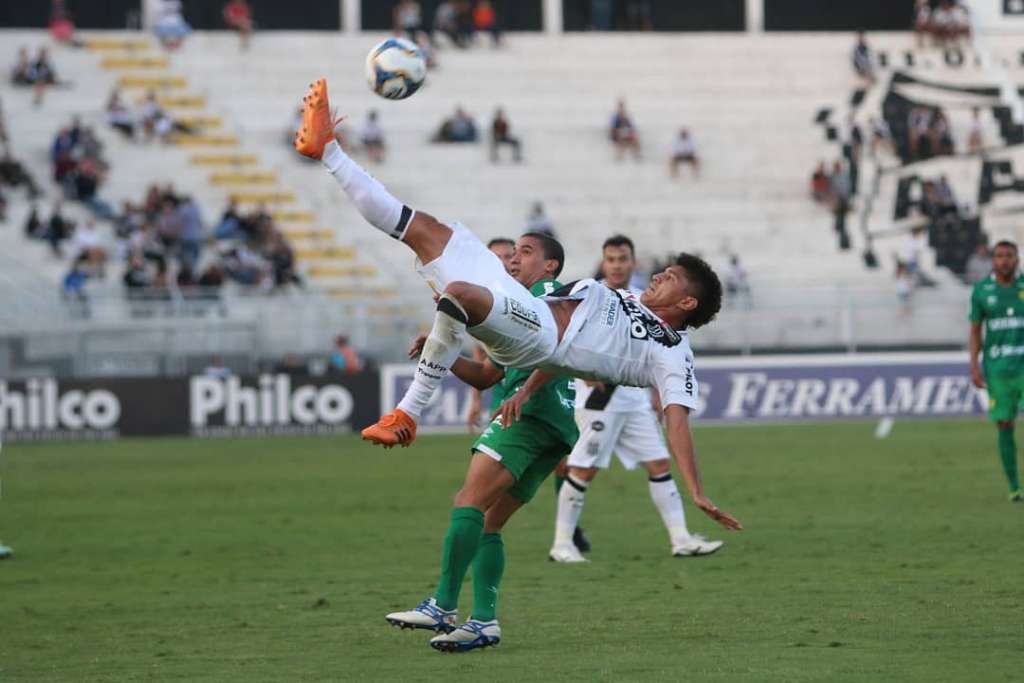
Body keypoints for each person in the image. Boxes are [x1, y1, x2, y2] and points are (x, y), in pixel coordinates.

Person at [294, 77, 741, 624]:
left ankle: (408, 413)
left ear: (688, 304)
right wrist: (527, 385)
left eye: (670, 278)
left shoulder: (672, 353)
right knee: (425, 230)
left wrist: (697, 490)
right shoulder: (622, 298)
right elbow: (565, 360)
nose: (658, 277)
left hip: (537, 331)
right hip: (527, 326)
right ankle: (330, 152)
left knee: (457, 295)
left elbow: (676, 419)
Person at [388, 232, 578, 651]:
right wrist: (443, 355)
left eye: (525, 253)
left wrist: (524, 392)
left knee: (467, 502)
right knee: (489, 524)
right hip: (556, 426)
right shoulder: (519, 316)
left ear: (550, 266)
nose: (513, 262)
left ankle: (442, 605)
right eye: (511, 256)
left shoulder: (547, 293)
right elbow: (488, 376)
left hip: (531, 414)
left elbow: (564, 344)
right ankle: (484, 622)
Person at [549, 235, 722, 563]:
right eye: (610, 260)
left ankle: (681, 538)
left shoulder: (647, 300)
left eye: (622, 259)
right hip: (601, 401)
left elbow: (655, 351)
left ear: (632, 262)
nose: (616, 265)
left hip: (635, 401)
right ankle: (562, 543)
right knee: (583, 469)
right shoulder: (599, 296)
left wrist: (658, 393)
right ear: (603, 263)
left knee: (659, 464)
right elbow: (564, 346)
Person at [969, 241, 1024, 502]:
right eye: (999, 256)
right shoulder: (982, 291)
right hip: (998, 370)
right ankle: (1015, 487)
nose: (1004, 260)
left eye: (1009, 256)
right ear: (993, 261)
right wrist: (974, 365)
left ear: (1017, 260)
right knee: (1004, 424)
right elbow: (975, 331)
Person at [466, 237, 516, 431]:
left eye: (509, 256)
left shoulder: (529, 294)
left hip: (533, 389)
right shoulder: (481, 300)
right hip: (501, 390)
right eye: (496, 257)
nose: (503, 262)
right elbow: (480, 352)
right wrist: (476, 401)